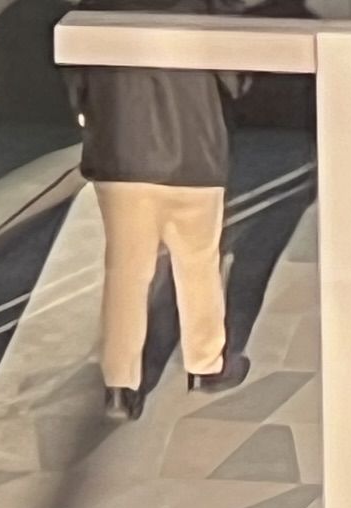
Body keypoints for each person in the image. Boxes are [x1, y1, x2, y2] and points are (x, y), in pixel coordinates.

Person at [74, 15, 245, 419]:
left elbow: (78, 82)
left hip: (122, 157)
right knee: (199, 263)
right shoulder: (202, 8)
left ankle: (120, 386)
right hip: (194, 158)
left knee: (126, 273)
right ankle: (205, 366)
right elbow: (235, 80)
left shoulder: (99, 7)